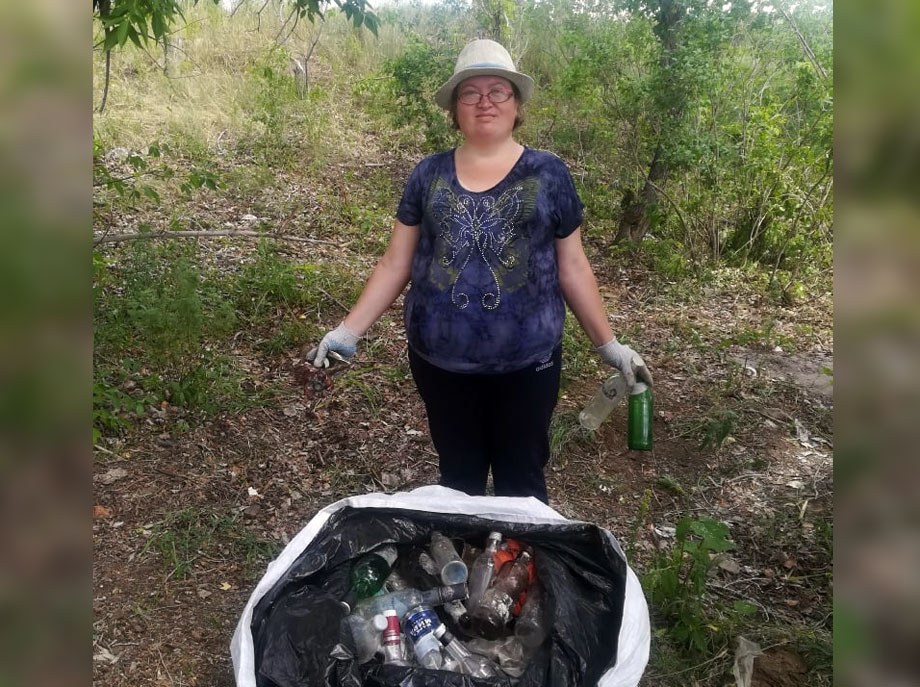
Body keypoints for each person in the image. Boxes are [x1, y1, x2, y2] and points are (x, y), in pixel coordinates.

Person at [307, 39, 652, 503]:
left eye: (498, 91)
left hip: (528, 364)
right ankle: (464, 568)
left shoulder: (549, 174)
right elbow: (396, 262)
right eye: (470, 92)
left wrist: (609, 346)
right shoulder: (427, 176)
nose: (485, 101)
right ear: (455, 108)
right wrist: (347, 331)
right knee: (458, 481)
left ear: (516, 104)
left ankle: (519, 566)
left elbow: (573, 266)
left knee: (522, 483)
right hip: (441, 365)